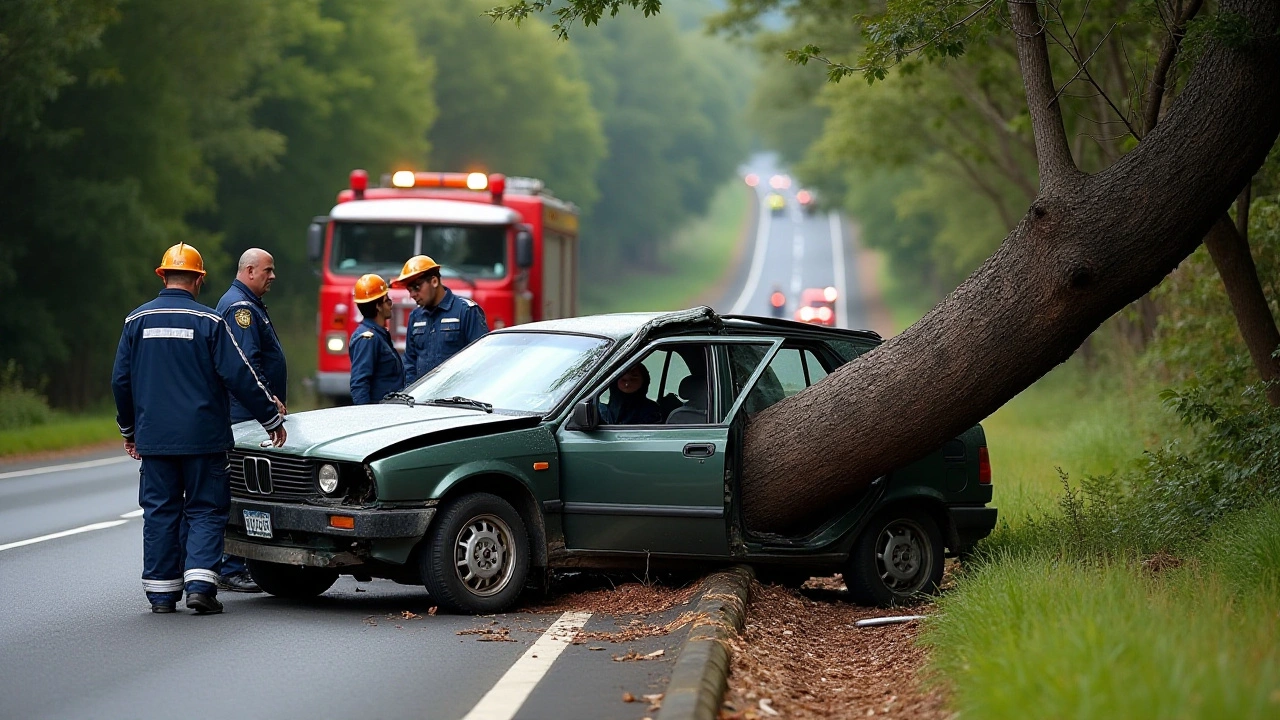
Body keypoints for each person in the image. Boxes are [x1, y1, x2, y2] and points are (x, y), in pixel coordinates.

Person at [112, 243, 286, 615]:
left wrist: (129, 429)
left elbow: (121, 381)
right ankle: (200, 587)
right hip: (204, 439)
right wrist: (269, 417)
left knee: (160, 512)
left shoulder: (134, 322)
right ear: (198, 279)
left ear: (162, 275)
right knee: (206, 509)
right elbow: (240, 374)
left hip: (155, 441)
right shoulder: (210, 322)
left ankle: (161, 594)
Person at [214, 247, 287, 593]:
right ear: (250, 271)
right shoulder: (241, 309)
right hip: (244, 415)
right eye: (268, 270)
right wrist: (268, 406)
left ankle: (237, 563)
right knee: (245, 487)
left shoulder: (247, 304)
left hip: (248, 413)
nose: (273, 276)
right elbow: (246, 365)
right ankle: (231, 566)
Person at [391, 255, 488, 384]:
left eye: (416, 287)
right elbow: (410, 362)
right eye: (409, 290)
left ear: (434, 281)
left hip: (457, 398)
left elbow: (481, 359)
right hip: (422, 399)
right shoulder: (416, 316)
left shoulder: (466, 311)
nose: (412, 295)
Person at [348, 274, 405, 404]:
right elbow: (359, 384)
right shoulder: (367, 339)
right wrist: (368, 418)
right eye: (387, 301)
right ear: (378, 306)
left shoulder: (378, 335)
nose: (391, 305)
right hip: (380, 412)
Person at [599, 364, 664, 425]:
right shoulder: (599, 411)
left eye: (633, 379)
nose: (627, 384)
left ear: (644, 381)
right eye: (623, 380)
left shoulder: (651, 411)